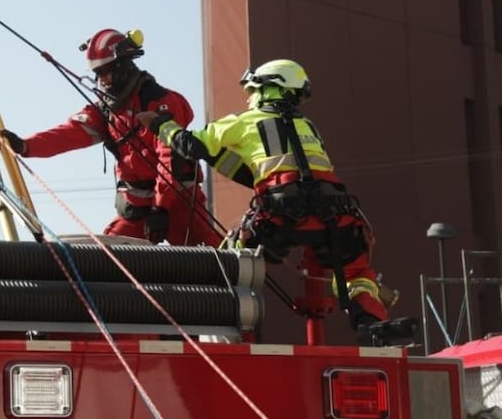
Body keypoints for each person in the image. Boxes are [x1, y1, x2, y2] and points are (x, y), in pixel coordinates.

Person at [139, 58, 414, 346]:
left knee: (230, 264)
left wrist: (161, 125)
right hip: (337, 215)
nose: (249, 97)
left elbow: (192, 146)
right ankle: (372, 327)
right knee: (356, 274)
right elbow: (285, 170)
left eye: (252, 89)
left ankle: (221, 339)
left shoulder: (245, 121)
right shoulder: (308, 126)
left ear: (266, 89)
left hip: (278, 215)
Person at [0, 28, 219, 247]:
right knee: (103, 260)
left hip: (176, 204)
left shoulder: (160, 102)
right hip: (136, 209)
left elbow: (170, 159)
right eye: (97, 73)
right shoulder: (107, 111)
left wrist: (160, 208)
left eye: (105, 71)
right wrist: (25, 146)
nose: (102, 79)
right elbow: (69, 134)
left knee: (216, 264)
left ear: (121, 66)